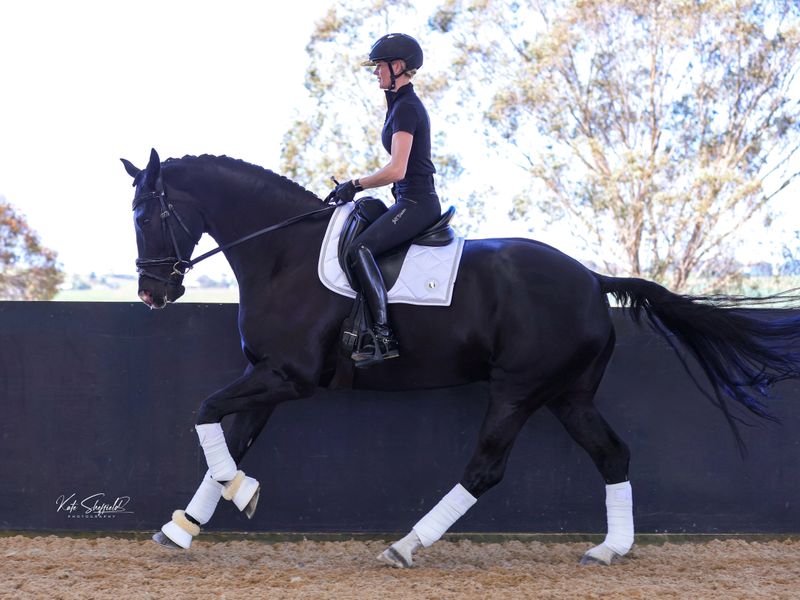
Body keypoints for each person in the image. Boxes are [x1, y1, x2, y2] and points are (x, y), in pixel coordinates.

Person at [328, 32, 442, 368]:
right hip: (404, 201)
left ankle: (382, 335)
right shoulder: (398, 106)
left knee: (360, 249)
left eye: (379, 67)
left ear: (399, 67)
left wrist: (355, 183)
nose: (376, 73)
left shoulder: (407, 108)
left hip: (417, 203)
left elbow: (396, 169)